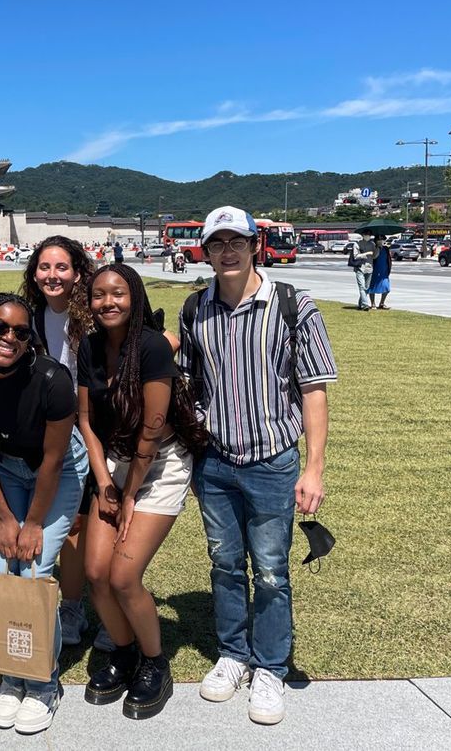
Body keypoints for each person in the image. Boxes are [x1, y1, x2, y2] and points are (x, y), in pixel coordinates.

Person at [180, 206, 337, 726]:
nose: (227, 252)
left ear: (255, 246)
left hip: (272, 461)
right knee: (225, 563)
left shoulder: (293, 305)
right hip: (216, 463)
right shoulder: (194, 309)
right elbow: (188, 382)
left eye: (236, 242)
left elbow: (313, 391)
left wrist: (313, 469)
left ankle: (270, 665)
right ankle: (233, 654)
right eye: (217, 243)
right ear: (205, 251)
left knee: (271, 570)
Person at [0, 293, 86, 734]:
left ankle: (44, 683)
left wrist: (30, 524)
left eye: (21, 332)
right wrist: (6, 518)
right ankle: (12, 677)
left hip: (59, 470)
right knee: (5, 568)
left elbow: (52, 461)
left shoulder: (53, 380)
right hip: (4, 468)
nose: (10, 337)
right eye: (0, 328)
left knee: (37, 568)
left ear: (31, 339)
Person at [79, 264, 207, 719]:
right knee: (95, 571)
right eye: (98, 295)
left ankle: (155, 663)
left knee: (123, 576)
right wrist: (103, 480)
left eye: (117, 293)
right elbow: (87, 421)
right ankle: (125, 649)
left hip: (160, 463)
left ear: (133, 297)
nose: (107, 302)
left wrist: (129, 493)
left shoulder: (151, 347)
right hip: (113, 461)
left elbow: (152, 434)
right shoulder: (89, 347)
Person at [20, 236, 96, 647]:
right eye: (45, 268)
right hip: (49, 430)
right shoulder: (29, 317)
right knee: (59, 520)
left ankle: (74, 604)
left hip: (92, 429)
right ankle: (64, 599)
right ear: (34, 274)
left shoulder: (92, 314)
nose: (53, 276)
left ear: (77, 272)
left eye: (62, 267)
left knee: (79, 524)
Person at [350, 235, 375, 310]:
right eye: (366, 234)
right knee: (362, 287)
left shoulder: (372, 244)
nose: (367, 235)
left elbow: (375, 256)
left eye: (369, 234)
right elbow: (355, 256)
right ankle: (365, 304)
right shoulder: (357, 244)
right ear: (363, 235)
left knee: (366, 288)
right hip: (360, 268)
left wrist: (378, 248)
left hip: (369, 268)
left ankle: (360, 303)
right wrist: (366, 254)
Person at [368, 236, 392, 310]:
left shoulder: (386, 248)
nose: (381, 241)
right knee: (372, 287)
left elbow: (388, 259)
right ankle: (373, 303)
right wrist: (378, 248)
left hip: (384, 271)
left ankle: (382, 303)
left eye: (382, 239)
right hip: (375, 270)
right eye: (379, 239)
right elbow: (373, 257)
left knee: (386, 287)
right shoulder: (374, 248)